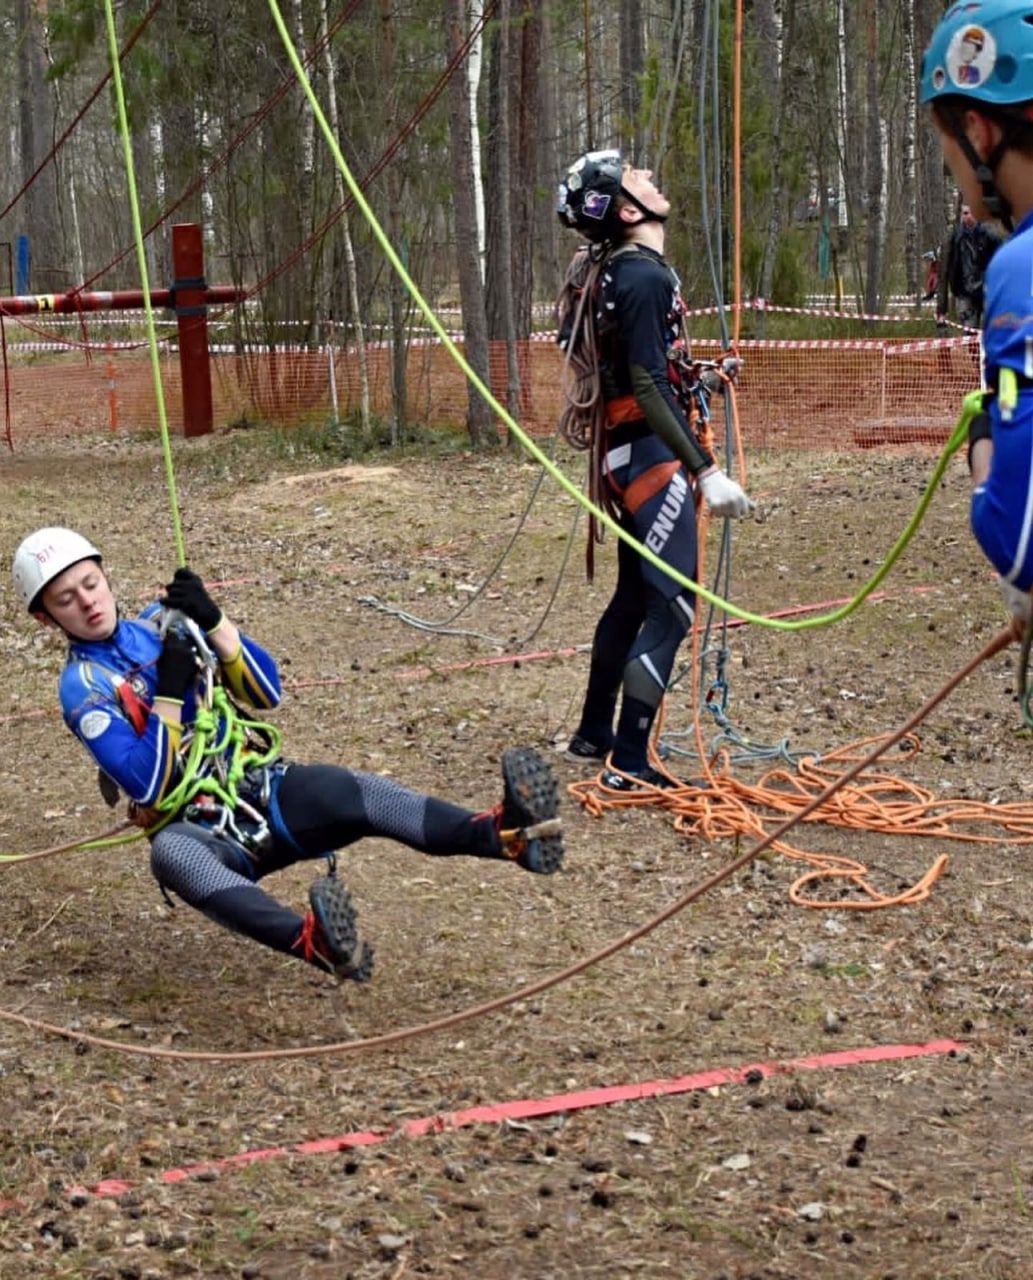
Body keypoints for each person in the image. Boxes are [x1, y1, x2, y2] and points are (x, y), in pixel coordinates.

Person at [11, 528, 564, 981]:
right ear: (46, 619)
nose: (87, 602)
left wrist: (215, 623)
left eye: (91, 583)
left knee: (353, 791)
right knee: (172, 857)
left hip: (256, 787)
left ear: (106, 575)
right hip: (198, 827)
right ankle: (314, 942)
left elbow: (266, 693)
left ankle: (506, 836)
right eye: (66, 599)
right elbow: (149, 785)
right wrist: (173, 694)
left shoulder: (163, 624)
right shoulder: (82, 688)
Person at [554, 149, 753, 791]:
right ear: (629, 208)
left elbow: (647, 367)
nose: (652, 176)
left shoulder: (624, 272)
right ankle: (630, 763)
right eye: (638, 177)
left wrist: (700, 376)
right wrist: (704, 471)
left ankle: (594, 732)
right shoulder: (641, 276)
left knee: (633, 598)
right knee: (671, 610)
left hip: (629, 455)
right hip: (650, 460)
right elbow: (642, 380)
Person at [921, 0, 1033, 629]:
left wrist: (982, 442)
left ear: (979, 131)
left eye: (948, 151)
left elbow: (1020, 539)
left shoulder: (1022, 270)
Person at [935, 202, 1002, 330]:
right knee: (968, 329)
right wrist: (942, 307)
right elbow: (946, 268)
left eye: (968, 213)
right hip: (964, 289)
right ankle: (971, 350)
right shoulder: (956, 237)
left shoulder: (990, 235)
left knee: (988, 328)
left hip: (986, 287)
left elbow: (1001, 259)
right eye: (963, 213)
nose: (965, 217)